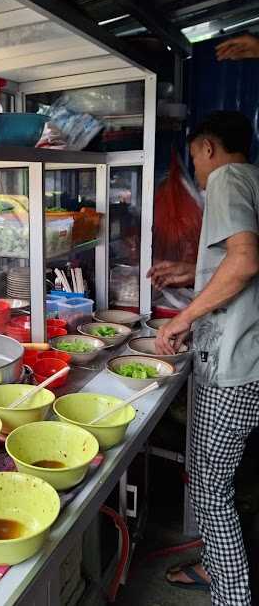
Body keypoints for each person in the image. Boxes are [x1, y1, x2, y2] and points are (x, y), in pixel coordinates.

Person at [148, 110, 259, 605]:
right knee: (215, 479)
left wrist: (182, 318)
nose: (193, 167)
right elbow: (233, 263)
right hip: (250, 357)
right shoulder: (254, 178)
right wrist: (189, 271)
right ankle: (215, 565)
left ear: (208, 148)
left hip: (235, 365)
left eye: (193, 155)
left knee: (210, 488)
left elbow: (244, 262)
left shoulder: (228, 178)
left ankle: (230, 593)